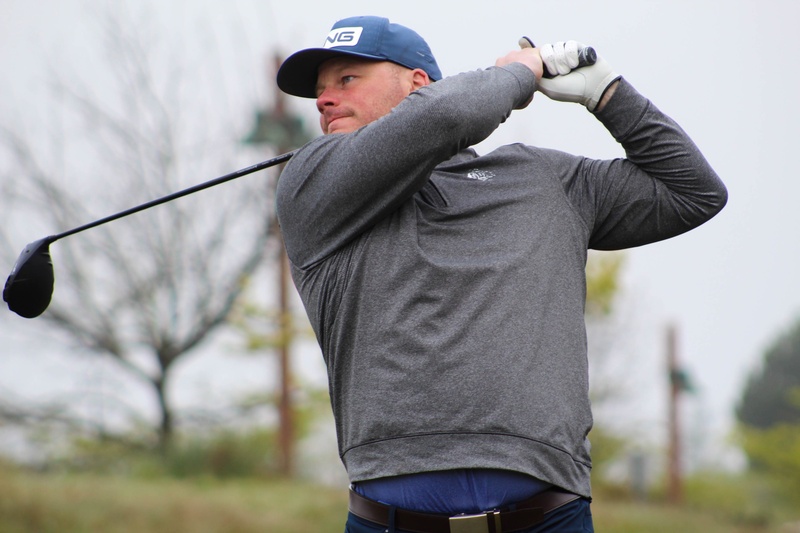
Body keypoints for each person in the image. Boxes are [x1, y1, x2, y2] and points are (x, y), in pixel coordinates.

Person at [275, 15, 727, 533]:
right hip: (390, 522)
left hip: (548, 520)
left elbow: (693, 192)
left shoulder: (543, 179)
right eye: (320, 91)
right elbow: (445, 117)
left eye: (347, 79)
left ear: (418, 83)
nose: (325, 100)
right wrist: (520, 72)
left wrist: (607, 94)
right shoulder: (314, 185)